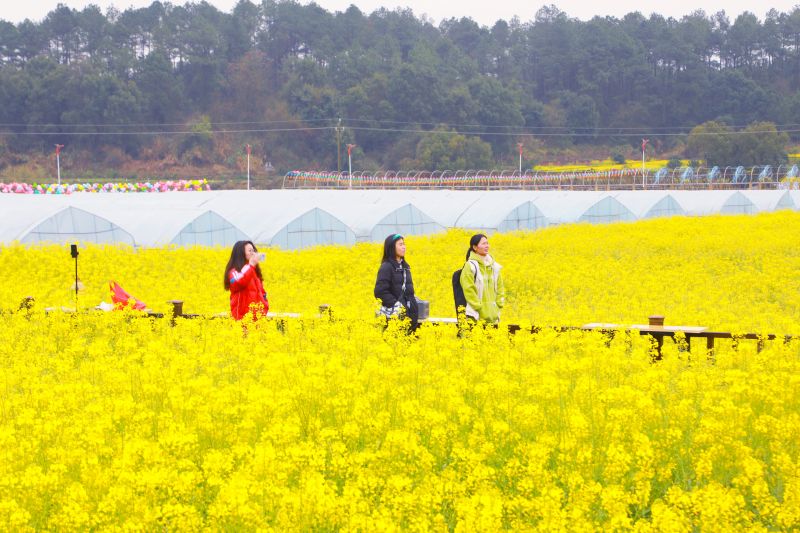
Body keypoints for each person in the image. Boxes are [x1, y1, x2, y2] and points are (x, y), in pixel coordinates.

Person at [374, 234, 419, 331]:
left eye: (404, 244)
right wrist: (397, 305)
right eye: (400, 244)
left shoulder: (405, 267)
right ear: (391, 248)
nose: (404, 247)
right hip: (395, 318)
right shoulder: (386, 267)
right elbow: (380, 292)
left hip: (410, 317)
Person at [460, 233, 505, 325]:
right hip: (476, 315)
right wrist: (478, 307)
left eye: (487, 243)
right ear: (475, 247)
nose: (487, 246)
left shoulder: (494, 266)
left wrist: (499, 304)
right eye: (483, 244)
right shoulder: (471, 266)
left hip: (493, 315)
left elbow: (500, 287)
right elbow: (469, 290)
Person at [224, 240, 269, 320]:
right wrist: (251, 265)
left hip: (258, 318)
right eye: (250, 250)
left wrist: (264, 307)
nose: (253, 253)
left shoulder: (253, 271)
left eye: (253, 250)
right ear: (241, 253)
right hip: (242, 318)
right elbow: (237, 282)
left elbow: (261, 292)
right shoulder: (234, 271)